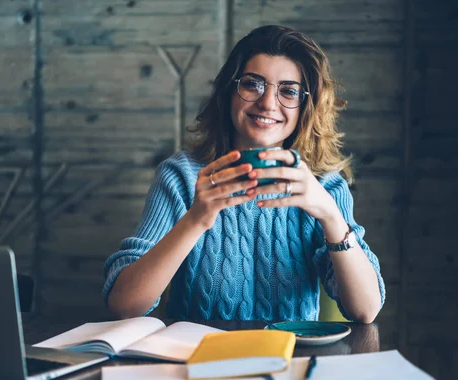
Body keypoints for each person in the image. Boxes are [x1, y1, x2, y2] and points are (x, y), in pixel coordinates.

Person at [103, 25, 385, 323]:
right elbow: (124, 305)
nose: (267, 103)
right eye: (253, 84)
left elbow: (365, 310)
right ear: (230, 92)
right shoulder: (180, 177)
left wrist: (330, 215)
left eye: (288, 91)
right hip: (197, 360)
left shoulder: (325, 186)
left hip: (289, 361)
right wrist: (197, 219)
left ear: (306, 107)